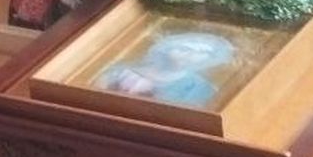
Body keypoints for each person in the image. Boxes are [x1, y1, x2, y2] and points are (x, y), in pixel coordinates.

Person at [94, 32, 234, 107]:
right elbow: (94, 95)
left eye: (201, 53)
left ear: (208, 59)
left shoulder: (200, 87)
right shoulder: (123, 69)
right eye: (184, 48)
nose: (190, 55)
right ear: (167, 48)